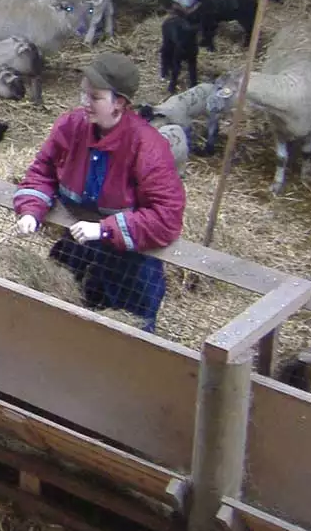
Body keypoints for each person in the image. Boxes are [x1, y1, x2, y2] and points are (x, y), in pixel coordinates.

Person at [11, 52, 185, 331]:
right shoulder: (71, 127)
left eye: (94, 97)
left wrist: (105, 229)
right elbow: (42, 170)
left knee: (126, 334)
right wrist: (32, 209)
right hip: (78, 246)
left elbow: (167, 217)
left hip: (129, 262)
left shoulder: (148, 147)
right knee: (60, 317)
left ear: (120, 103)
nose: (84, 103)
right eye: (83, 94)